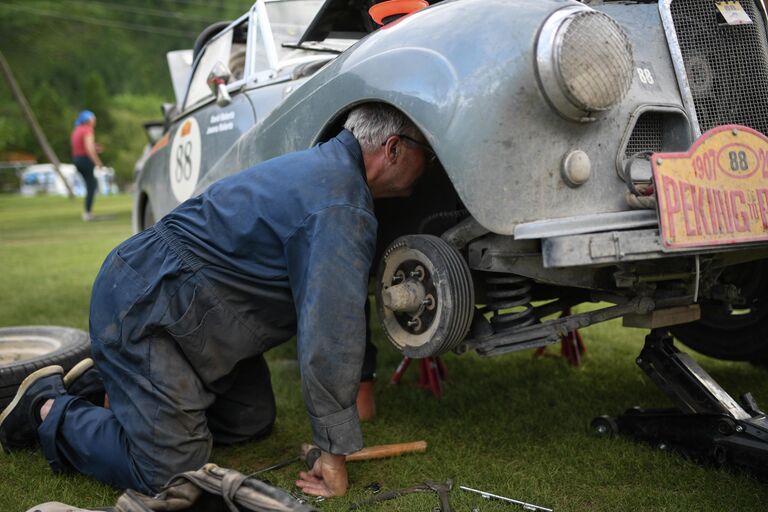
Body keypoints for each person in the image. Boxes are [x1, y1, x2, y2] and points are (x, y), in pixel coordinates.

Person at [0, 103, 434, 498]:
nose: (429, 163)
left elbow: (339, 307)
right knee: (174, 473)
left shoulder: (329, 173)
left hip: (184, 309)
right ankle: (49, 406)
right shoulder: (341, 204)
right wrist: (334, 454)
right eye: (425, 152)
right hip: (148, 305)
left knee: (250, 419)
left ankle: (109, 382)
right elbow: (330, 335)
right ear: (393, 149)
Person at [71, 110, 104, 221]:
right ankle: (87, 213)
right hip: (85, 160)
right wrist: (97, 161)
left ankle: (87, 211)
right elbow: (88, 148)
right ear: (88, 120)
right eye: (93, 118)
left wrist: (94, 147)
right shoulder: (87, 130)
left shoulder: (77, 129)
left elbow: (81, 146)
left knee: (90, 184)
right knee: (91, 185)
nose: (95, 121)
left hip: (77, 159)